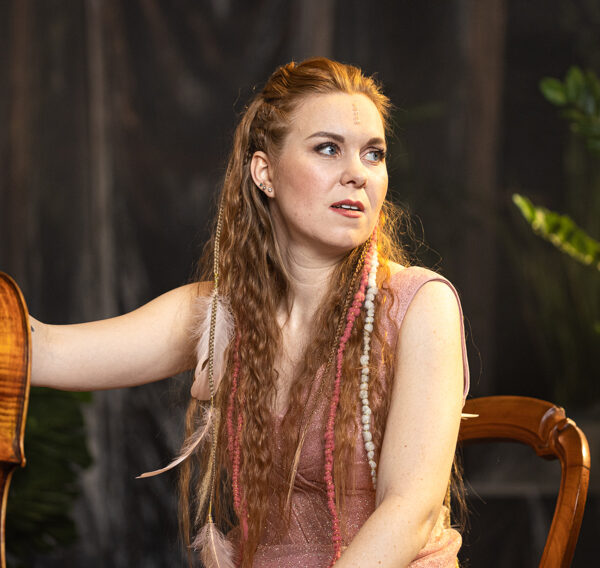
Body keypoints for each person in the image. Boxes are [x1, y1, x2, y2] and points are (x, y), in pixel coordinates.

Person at [30, 57, 470, 568]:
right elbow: (43, 351)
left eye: (373, 154)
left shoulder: (420, 304)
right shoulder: (222, 313)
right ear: (265, 173)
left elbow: (410, 511)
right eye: (328, 148)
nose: (357, 174)